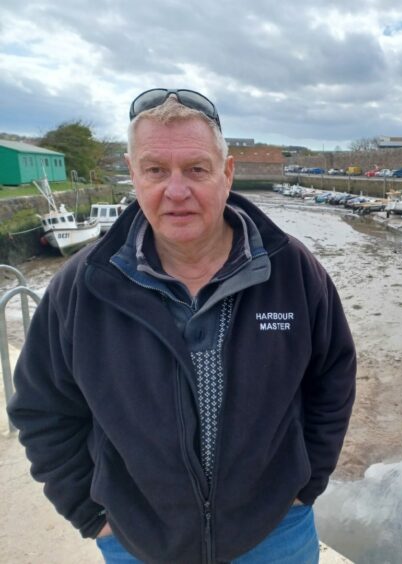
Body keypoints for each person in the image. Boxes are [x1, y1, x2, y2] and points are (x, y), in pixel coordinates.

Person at [8, 89, 357, 564]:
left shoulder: (291, 269)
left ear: (227, 173)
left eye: (196, 169)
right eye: (155, 171)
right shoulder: (81, 286)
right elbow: (43, 408)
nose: (176, 191)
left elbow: (332, 376)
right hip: (140, 541)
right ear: (132, 174)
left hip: (277, 531)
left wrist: (306, 483)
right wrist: (94, 517)